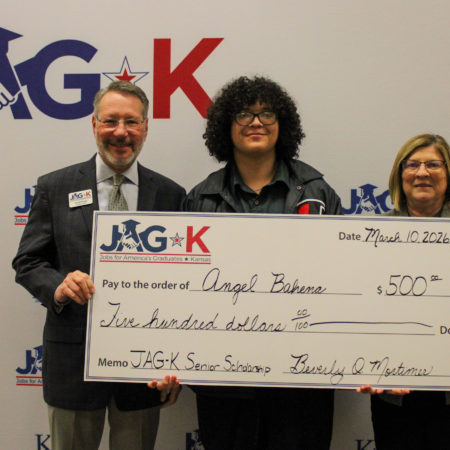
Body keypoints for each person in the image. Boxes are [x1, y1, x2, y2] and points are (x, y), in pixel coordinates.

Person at [12, 81, 185, 450]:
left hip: (144, 367)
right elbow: (27, 261)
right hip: (72, 362)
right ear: (94, 125)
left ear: (145, 128)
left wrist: (176, 362)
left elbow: (184, 285)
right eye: (110, 121)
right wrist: (58, 286)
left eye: (131, 122)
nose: (121, 132)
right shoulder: (55, 186)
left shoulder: (170, 194)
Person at [183, 75, 342, 450]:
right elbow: (183, 293)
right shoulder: (200, 199)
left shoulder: (318, 192)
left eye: (267, 113)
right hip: (224, 384)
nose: (256, 122)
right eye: (244, 114)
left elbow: (342, 282)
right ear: (226, 126)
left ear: (281, 124)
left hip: (302, 381)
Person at [358, 133, 450, 449]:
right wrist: (362, 364)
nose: (422, 172)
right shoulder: (371, 236)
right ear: (400, 175)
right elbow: (360, 307)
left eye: (433, 164)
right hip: (393, 393)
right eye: (412, 165)